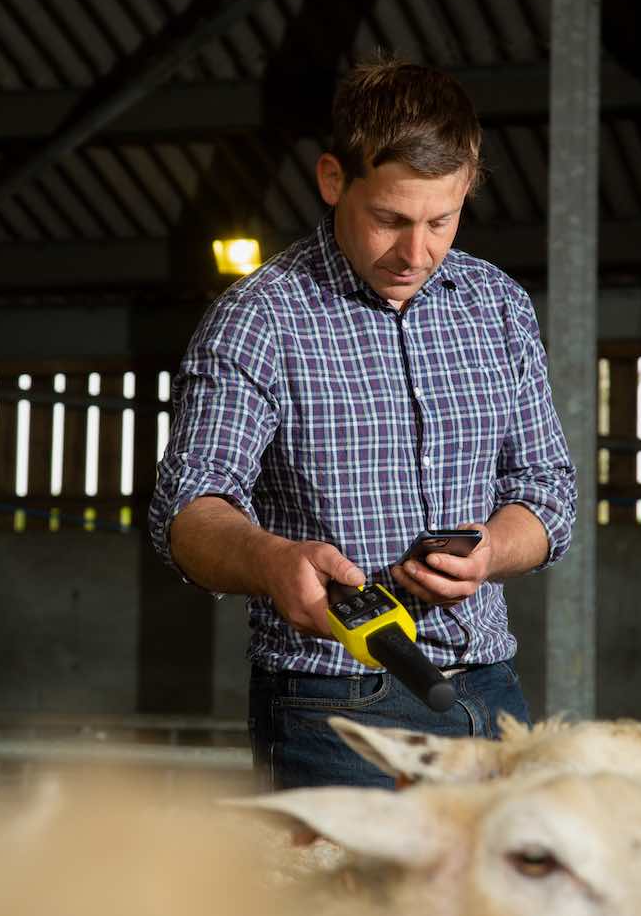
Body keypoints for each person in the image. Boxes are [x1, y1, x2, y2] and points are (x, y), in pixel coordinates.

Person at [149, 56, 576, 790]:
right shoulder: (258, 319)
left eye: (440, 220)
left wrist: (489, 550)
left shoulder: (497, 305)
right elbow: (187, 507)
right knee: (345, 910)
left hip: (490, 692)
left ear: (467, 187)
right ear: (331, 180)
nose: (417, 253)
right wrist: (269, 559)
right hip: (332, 708)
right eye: (389, 219)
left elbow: (548, 489)